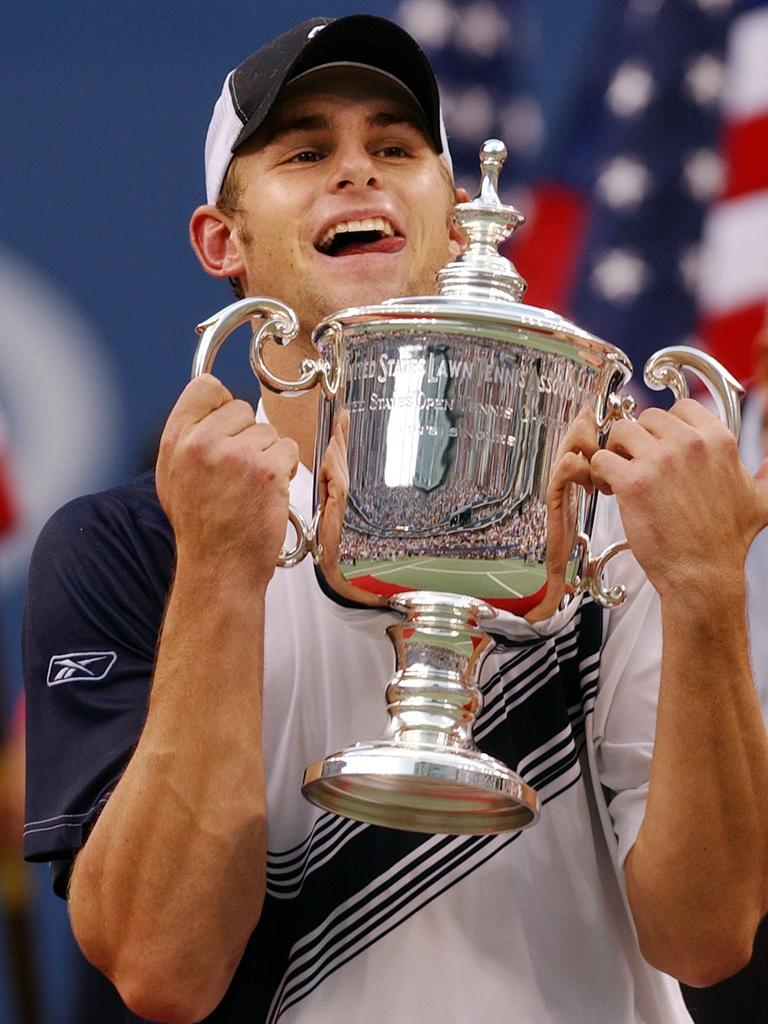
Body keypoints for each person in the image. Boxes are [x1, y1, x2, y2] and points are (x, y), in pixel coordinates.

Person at [22, 15, 768, 1024]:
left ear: (457, 224)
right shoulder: (139, 546)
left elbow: (709, 935)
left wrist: (710, 591)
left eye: (395, 148)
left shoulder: (605, 530)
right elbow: (165, 967)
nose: (357, 173)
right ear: (220, 240)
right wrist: (217, 577)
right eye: (304, 152)